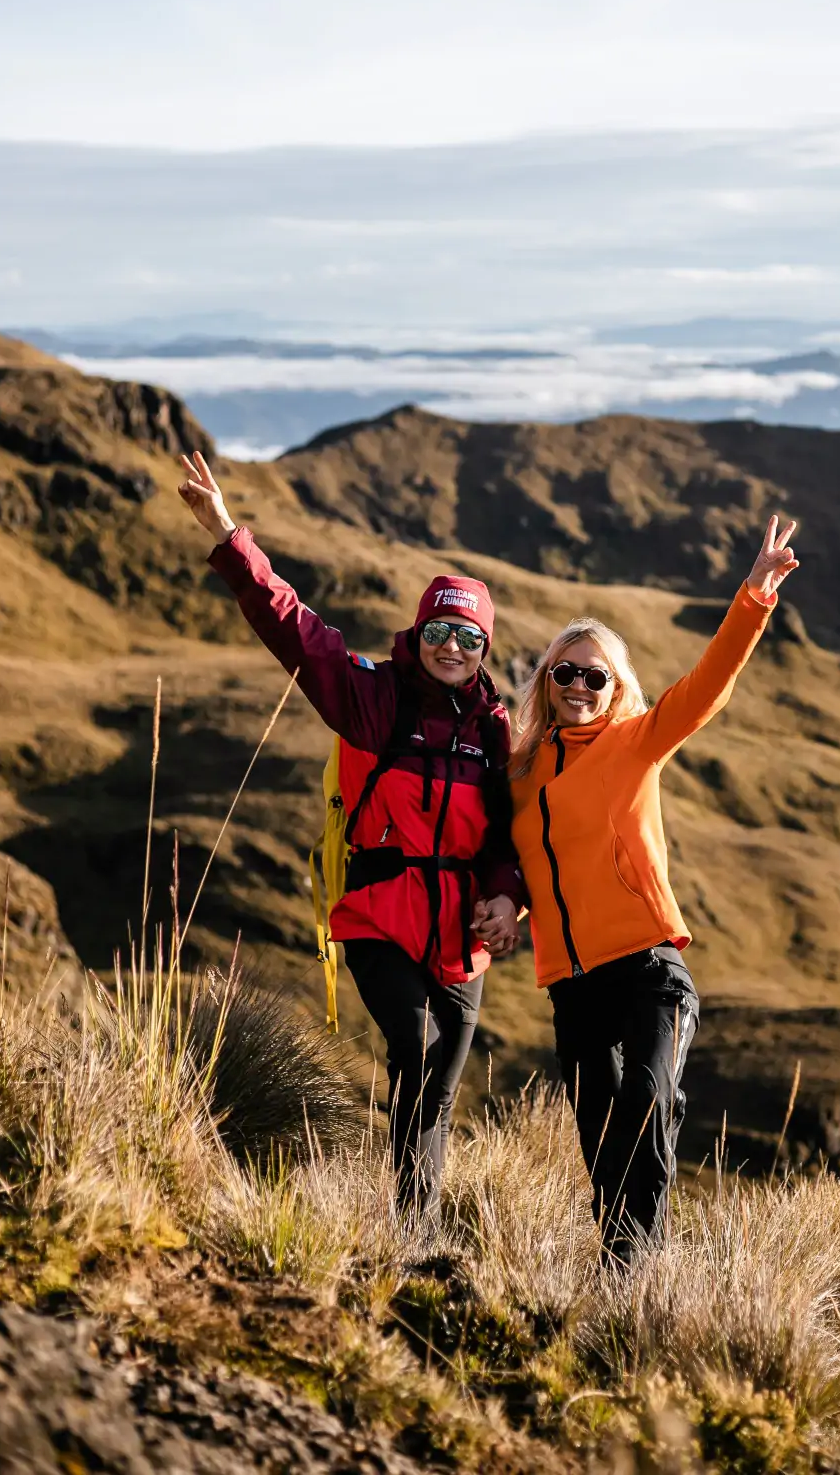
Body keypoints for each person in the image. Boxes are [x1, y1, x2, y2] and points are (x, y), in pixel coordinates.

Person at [177, 450, 520, 1219]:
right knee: (419, 1051)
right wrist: (232, 538)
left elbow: (508, 838)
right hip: (377, 919)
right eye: (440, 630)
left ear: (485, 650)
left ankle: (413, 1228)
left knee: (436, 1087)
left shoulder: (494, 731)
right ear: (418, 630)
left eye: (469, 638)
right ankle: (410, 1224)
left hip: (461, 940)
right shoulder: (375, 700)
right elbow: (299, 632)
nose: (452, 648)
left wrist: (506, 896)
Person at [508, 515, 799, 1265]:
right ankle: (621, 1265)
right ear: (546, 680)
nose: (577, 686)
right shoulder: (522, 771)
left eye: (593, 675)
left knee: (647, 1101)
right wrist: (501, 901)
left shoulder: (636, 742)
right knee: (599, 1138)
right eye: (564, 672)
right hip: (571, 987)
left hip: (647, 968)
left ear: (616, 688)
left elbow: (706, 688)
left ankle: (642, 1268)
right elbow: (504, 856)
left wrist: (753, 597)